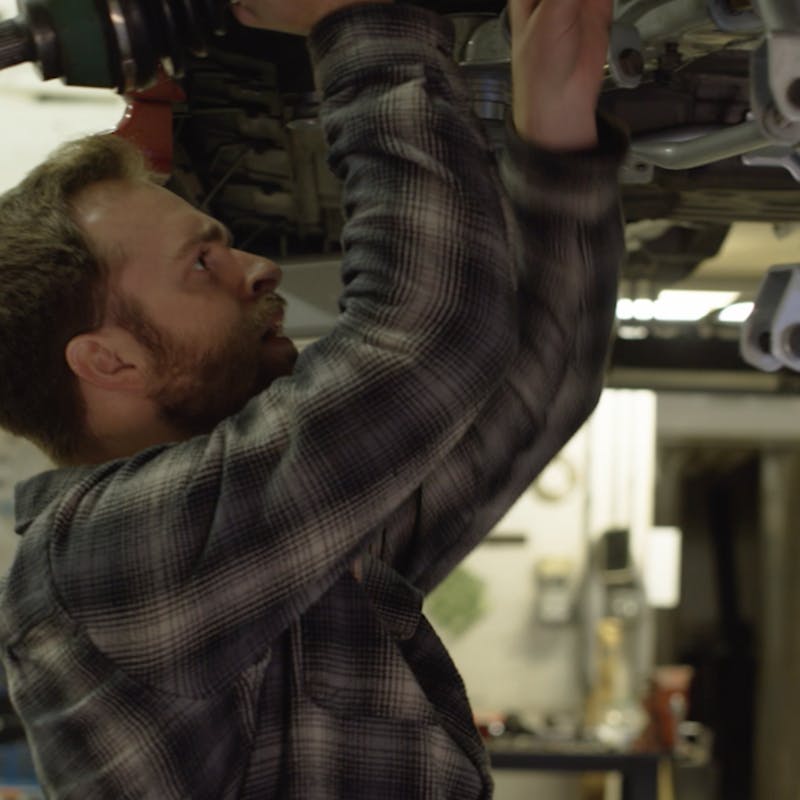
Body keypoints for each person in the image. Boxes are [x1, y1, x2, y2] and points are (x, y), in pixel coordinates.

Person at [0, 0, 627, 797]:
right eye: (204, 264)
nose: (256, 268)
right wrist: (362, 24)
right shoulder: (99, 567)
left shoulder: (256, 551)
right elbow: (427, 337)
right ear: (108, 361)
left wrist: (557, 131)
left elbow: (534, 388)